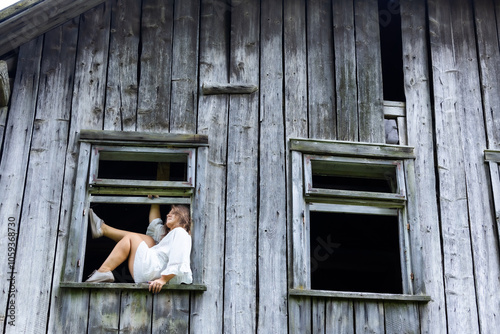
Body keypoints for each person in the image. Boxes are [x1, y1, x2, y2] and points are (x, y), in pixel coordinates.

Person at [85, 199, 192, 293]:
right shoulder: (168, 236)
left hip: (155, 272)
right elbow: (154, 224)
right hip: (152, 271)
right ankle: (102, 229)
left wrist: (163, 279)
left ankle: (103, 271)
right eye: (169, 212)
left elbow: (179, 258)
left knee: (132, 238)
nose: (168, 214)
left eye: (174, 213)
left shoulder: (180, 232)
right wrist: (155, 200)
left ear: (184, 218)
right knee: (149, 240)